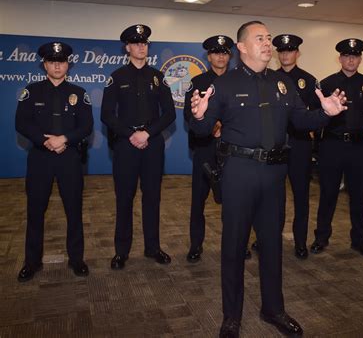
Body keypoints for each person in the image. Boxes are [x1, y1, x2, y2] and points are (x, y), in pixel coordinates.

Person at [189, 21, 347, 338]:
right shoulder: (225, 85)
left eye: (269, 38)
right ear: (242, 47)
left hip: (275, 174)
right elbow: (202, 131)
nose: (267, 43)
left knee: (272, 245)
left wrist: (326, 113)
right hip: (239, 172)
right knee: (233, 246)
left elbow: (300, 120)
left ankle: (273, 309)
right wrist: (198, 116)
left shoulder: (283, 83)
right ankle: (231, 316)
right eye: (259, 38)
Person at [15, 41, 93, 282]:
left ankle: (77, 259)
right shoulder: (31, 91)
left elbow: (87, 126)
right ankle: (32, 261)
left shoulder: (79, 93)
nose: (57, 65)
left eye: (61, 61)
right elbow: (22, 123)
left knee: (74, 210)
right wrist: (44, 141)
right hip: (40, 158)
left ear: (68, 64)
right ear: (45, 64)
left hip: (69, 158)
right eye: (52, 61)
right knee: (35, 211)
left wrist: (65, 139)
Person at [101, 24, 176, 270]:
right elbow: (107, 115)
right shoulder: (117, 77)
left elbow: (169, 115)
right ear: (127, 48)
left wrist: (148, 133)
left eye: (144, 43)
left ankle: (153, 247)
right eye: (136, 43)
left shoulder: (158, 76)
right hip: (126, 145)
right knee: (124, 198)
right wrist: (131, 134)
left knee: (152, 198)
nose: (141, 47)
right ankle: (121, 251)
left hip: (152, 144)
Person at [310, 38, 363, 259]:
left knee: (359, 195)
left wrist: (360, 128)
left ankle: (360, 241)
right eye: (346, 56)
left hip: (358, 146)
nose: (351, 59)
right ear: (340, 58)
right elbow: (316, 112)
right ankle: (321, 238)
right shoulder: (327, 83)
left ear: (360, 59)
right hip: (332, 145)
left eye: (355, 56)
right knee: (328, 193)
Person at [184, 35, 253, 263]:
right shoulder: (198, 83)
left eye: (224, 52)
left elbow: (247, 117)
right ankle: (196, 246)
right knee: (198, 202)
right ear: (209, 56)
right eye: (215, 52)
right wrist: (212, 125)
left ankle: (237, 245)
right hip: (205, 150)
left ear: (230, 55)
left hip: (234, 153)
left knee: (236, 203)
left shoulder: (240, 81)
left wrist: (224, 125)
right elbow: (189, 115)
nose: (220, 56)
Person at [272, 33, 321, 259]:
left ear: (297, 53)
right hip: (276, 145)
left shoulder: (309, 81)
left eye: (289, 50)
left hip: (300, 144)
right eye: (281, 51)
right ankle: (269, 238)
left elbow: (315, 113)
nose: (285, 55)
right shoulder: (268, 78)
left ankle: (300, 241)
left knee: (301, 196)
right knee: (273, 197)